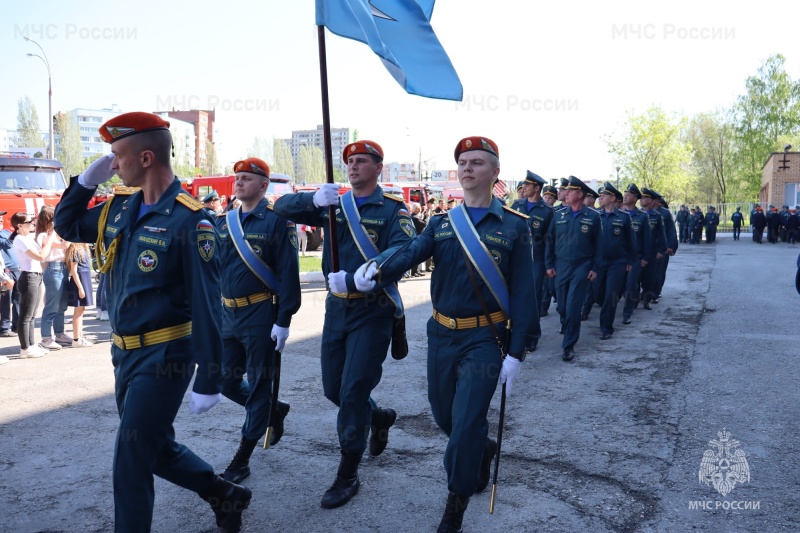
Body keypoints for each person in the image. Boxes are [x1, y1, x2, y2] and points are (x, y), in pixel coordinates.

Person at [53, 112, 251, 533]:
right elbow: (67, 224)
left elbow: (207, 304)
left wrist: (210, 376)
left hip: (166, 354)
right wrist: (84, 184)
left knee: (130, 457)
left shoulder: (189, 219)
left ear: (145, 157)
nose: (112, 164)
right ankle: (225, 495)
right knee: (155, 449)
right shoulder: (120, 207)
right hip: (123, 354)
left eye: (116, 155)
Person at [353, 136, 537, 533]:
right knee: (445, 416)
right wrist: (377, 270)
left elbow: (525, 293)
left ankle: (455, 505)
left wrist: (516, 353)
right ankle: (480, 450)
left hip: (485, 339)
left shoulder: (514, 227)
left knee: (468, 421)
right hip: (441, 335)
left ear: (495, 172)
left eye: (477, 162)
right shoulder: (441, 223)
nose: (467, 168)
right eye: (462, 162)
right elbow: (410, 251)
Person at [273, 139, 412, 509]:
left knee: (352, 392)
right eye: (349, 161)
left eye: (362, 161)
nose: (352, 167)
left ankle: (348, 471)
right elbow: (280, 207)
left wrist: (362, 275)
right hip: (337, 311)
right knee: (333, 389)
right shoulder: (335, 203)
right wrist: (313, 201)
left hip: (373, 309)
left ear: (378, 167)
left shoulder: (393, 210)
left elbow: (403, 251)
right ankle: (378, 416)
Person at [216, 157, 301, 485]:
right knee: (224, 381)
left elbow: (288, 274)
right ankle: (272, 408)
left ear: (263, 185)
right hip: (227, 314)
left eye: (247, 178)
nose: (239, 182)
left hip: (259, 315)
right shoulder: (225, 222)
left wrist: (284, 319)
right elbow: (217, 272)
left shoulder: (277, 221)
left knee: (260, 383)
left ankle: (243, 457)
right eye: (237, 177)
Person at [545, 176, 603, 361]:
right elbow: (550, 241)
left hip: (582, 266)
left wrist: (594, 267)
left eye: (569, 191)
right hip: (561, 265)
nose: (565, 193)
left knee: (572, 307)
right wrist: (549, 264)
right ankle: (566, 323)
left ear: (579, 194)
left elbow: (599, 245)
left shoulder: (593, 217)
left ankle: (568, 345)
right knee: (561, 306)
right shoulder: (559, 215)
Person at [587, 183, 635, 339]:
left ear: (613, 198)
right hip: (599, 263)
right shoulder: (595, 216)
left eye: (603, 195)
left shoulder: (624, 217)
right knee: (597, 294)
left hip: (617, 263)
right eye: (599, 195)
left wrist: (630, 260)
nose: (600, 198)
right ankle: (605, 309)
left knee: (610, 295)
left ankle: (606, 328)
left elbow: (631, 241)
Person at [12, 212, 57, 358]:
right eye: (29, 221)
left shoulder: (28, 238)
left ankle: (31, 345)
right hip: (29, 277)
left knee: (31, 315)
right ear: (19, 225)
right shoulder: (20, 239)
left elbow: (42, 253)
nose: (32, 223)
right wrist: (50, 240)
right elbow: (41, 256)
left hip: (36, 276)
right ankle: (25, 348)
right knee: (26, 315)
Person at [510, 170, 550, 330]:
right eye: (524, 183)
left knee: (533, 297)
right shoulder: (516, 205)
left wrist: (549, 264)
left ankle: (532, 333)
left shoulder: (546, 210)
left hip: (536, 260)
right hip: (516, 259)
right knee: (515, 295)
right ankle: (515, 330)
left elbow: (550, 240)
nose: (524, 186)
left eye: (527, 184)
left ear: (537, 188)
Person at [36, 205, 71, 351]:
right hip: (53, 268)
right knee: (52, 306)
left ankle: (59, 333)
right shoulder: (43, 236)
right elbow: (64, 245)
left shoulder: (52, 234)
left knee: (62, 305)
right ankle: (46, 337)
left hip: (62, 269)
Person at [620, 184, 653, 325]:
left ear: (635, 198)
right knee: (618, 286)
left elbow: (647, 239)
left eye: (629, 194)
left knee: (630, 285)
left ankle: (627, 313)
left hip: (635, 258)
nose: (625, 196)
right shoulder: (618, 214)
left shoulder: (642, 217)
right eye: (625, 193)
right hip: (620, 257)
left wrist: (645, 257)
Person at [639, 189, 667, 309]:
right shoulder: (638, 214)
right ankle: (634, 299)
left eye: (644, 198)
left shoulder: (657, 216)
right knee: (637, 278)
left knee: (650, 278)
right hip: (639, 251)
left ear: (650, 200)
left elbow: (662, 235)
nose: (641, 200)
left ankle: (647, 300)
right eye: (641, 198)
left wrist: (661, 251)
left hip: (652, 252)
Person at [65, 242, 94, 347]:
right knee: (78, 310)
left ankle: (80, 337)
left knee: (81, 310)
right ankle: (76, 339)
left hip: (84, 279)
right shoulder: (76, 249)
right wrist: (80, 288)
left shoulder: (83, 248)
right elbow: (74, 270)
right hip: (80, 281)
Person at [0, 211, 21, 337]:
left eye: (1, 218)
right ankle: (4, 327)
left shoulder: (6, 232)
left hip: (17, 269)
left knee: (18, 299)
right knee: (5, 301)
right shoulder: (8, 234)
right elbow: (7, 244)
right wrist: (16, 230)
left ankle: (17, 325)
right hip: (5, 273)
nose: (1, 220)